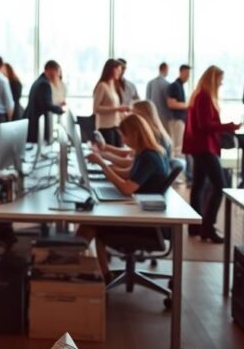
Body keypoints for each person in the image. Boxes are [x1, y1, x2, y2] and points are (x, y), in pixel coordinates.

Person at [79, 114, 170, 278]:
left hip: (145, 222)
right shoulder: (146, 153)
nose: (123, 140)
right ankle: (99, 272)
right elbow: (127, 174)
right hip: (139, 210)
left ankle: (68, 265)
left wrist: (102, 165)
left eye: (124, 136)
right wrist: (101, 167)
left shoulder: (149, 157)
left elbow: (127, 188)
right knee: (92, 220)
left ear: (135, 134)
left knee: (90, 224)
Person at [185, 65, 241, 243]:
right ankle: (207, 227)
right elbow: (205, 125)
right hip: (204, 147)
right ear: (213, 79)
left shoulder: (199, 95)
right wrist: (228, 126)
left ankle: (196, 225)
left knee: (199, 186)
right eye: (220, 79)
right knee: (219, 186)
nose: (222, 83)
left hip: (199, 146)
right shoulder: (204, 96)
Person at [25, 60, 65, 144]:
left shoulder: (39, 81)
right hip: (37, 124)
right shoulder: (44, 84)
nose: (58, 76)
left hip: (33, 122)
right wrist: (61, 109)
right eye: (57, 72)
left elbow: (43, 101)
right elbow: (46, 104)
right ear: (50, 70)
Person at [93, 59, 130, 146]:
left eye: (120, 70)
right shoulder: (102, 86)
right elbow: (96, 108)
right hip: (105, 127)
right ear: (111, 70)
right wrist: (117, 109)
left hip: (115, 125)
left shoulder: (114, 86)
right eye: (117, 70)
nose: (119, 73)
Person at [166, 65, 192, 181]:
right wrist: (188, 105)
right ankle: (177, 176)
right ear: (181, 72)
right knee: (177, 148)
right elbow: (171, 104)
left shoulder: (180, 86)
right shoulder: (174, 86)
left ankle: (180, 175)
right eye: (186, 73)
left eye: (189, 74)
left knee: (179, 147)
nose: (187, 76)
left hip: (181, 120)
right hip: (176, 120)